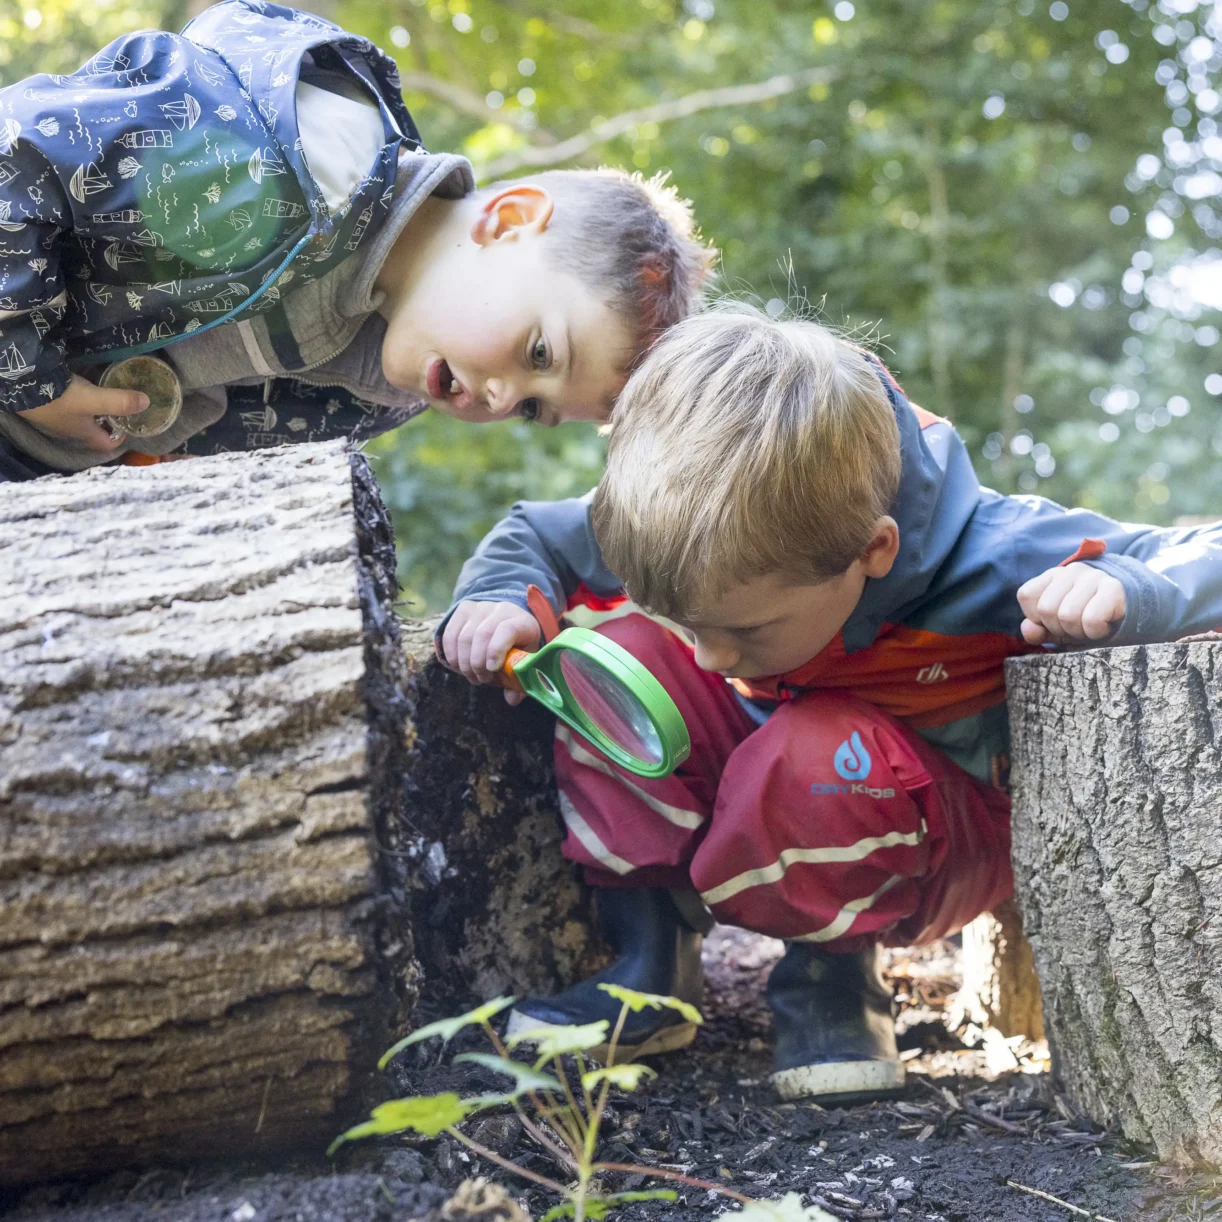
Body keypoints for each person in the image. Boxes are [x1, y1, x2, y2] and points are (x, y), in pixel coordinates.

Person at [437, 304, 1222, 1101]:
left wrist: (1122, 586)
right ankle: (649, 963)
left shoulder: (995, 553)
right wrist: (500, 597)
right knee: (617, 658)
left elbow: (1205, 554)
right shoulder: (692, 522)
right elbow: (534, 533)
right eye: (691, 622)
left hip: (932, 826)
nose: (708, 653)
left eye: (744, 626)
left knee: (813, 749)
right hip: (769, 761)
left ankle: (832, 980)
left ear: (871, 553)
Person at [0, 0, 710, 482]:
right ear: (512, 219)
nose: (500, 399)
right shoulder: (284, 157)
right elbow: (16, 160)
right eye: (540, 352)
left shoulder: (381, 394)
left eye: (531, 408)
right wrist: (35, 383)